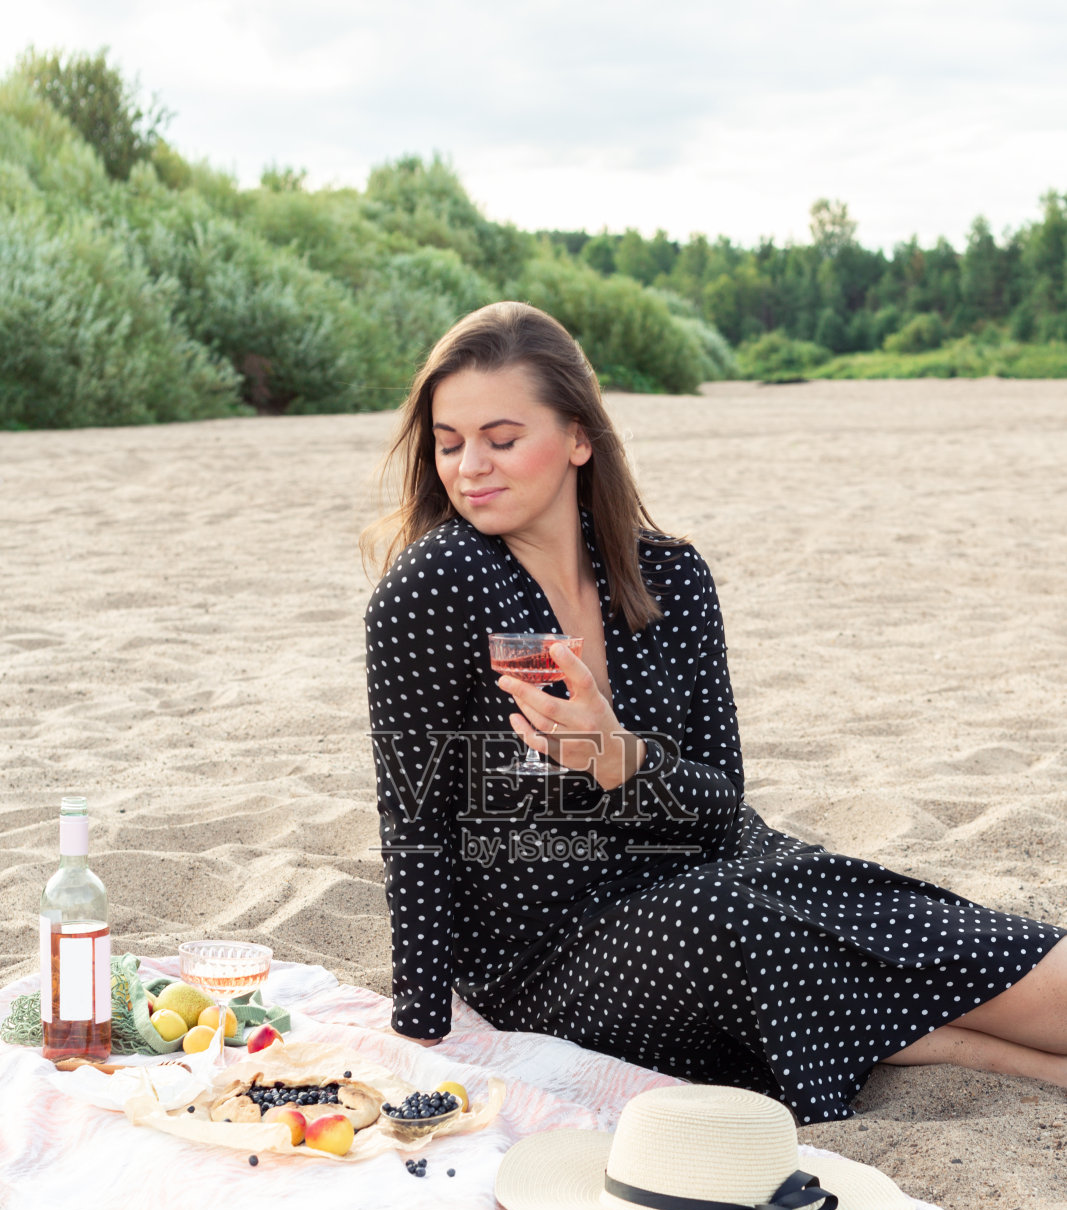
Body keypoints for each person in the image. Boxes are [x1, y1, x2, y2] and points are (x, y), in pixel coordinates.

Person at [362, 301, 1067, 1123]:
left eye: (502, 438)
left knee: (920, 922)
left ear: (579, 439)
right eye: (449, 444)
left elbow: (717, 803)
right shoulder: (435, 586)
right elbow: (412, 817)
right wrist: (420, 1026)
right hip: (550, 950)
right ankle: (981, 1051)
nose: (469, 466)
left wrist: (620, 759)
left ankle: (973, 1044)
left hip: (718, 866)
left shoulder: (670, 578)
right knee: (732, 924)